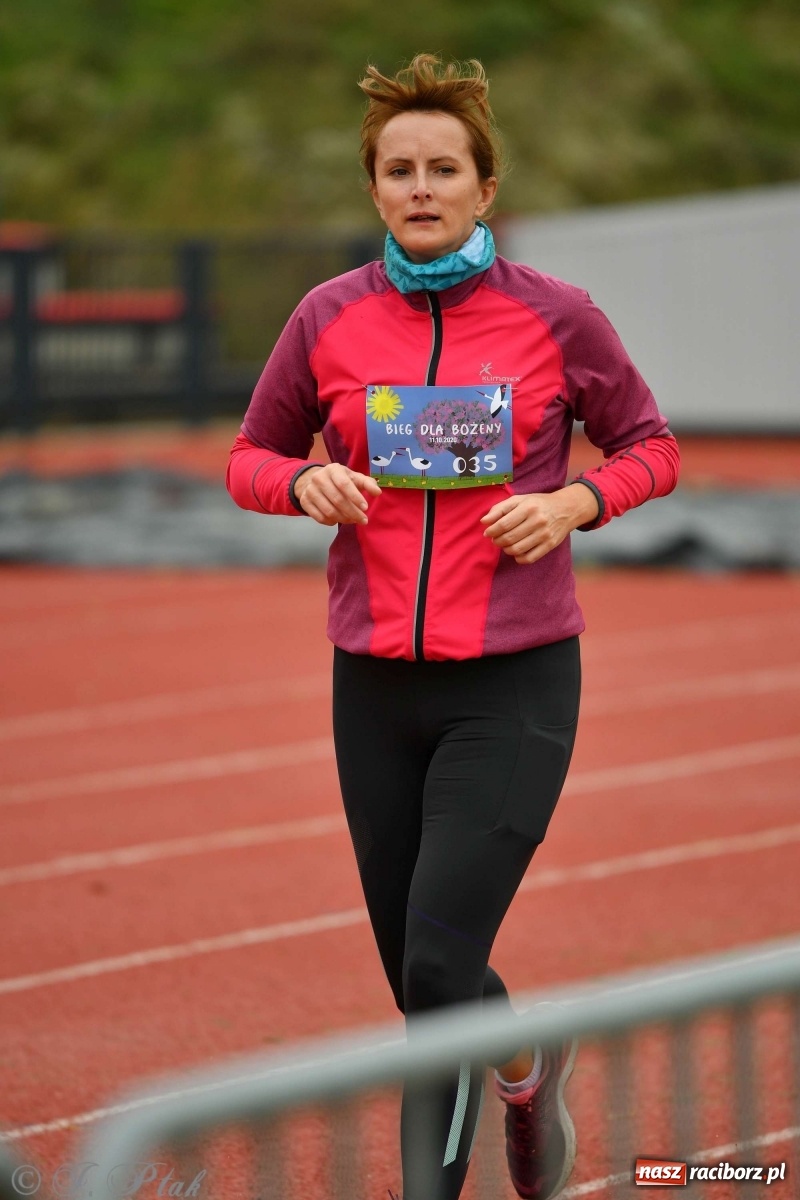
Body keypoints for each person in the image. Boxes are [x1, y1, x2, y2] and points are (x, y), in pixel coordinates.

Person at [226, 53, 680, 1200]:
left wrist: (572, 500)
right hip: (371, 686)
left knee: (435, 964)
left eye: (443, 168)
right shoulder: (325, 318)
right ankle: (524, 1065)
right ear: (373, 190)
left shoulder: (555, 317)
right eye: (397, 170)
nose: (419, 187)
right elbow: (248, 455)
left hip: (512, 685)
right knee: (422, 977)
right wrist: (300, 486)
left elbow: (651, 448)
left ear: (484, 187)